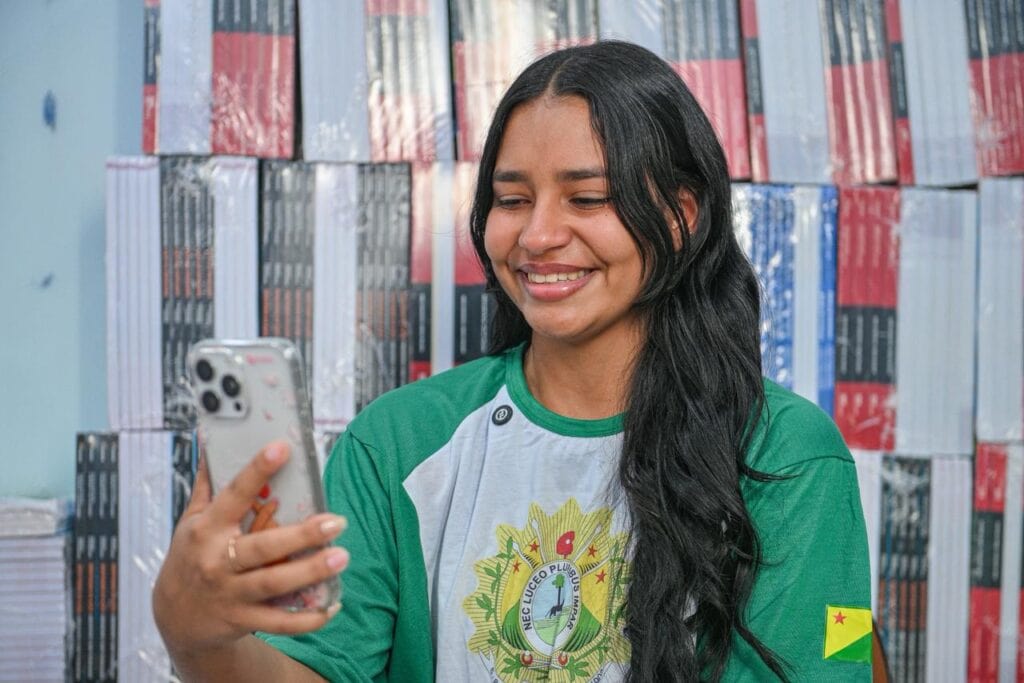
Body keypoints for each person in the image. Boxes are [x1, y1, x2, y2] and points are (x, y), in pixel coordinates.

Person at [153, 40, 871, 682]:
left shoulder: (787, 457)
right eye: (511, 199)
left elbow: (829, 661)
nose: (538, 234)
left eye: (587, 198)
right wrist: (198, 639)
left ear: (683, 216)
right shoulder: (398, 441)